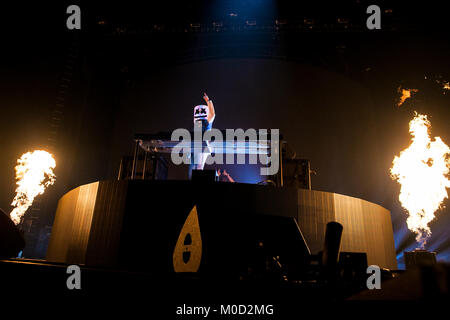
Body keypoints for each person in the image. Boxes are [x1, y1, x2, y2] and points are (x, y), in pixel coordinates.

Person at [189, 93, 215, 178]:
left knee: (197, 167)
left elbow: (212, 114)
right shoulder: (198, 123)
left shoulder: (206, 123)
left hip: (201, 147)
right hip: (198, 147)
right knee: (195, 168)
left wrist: (208, 101)